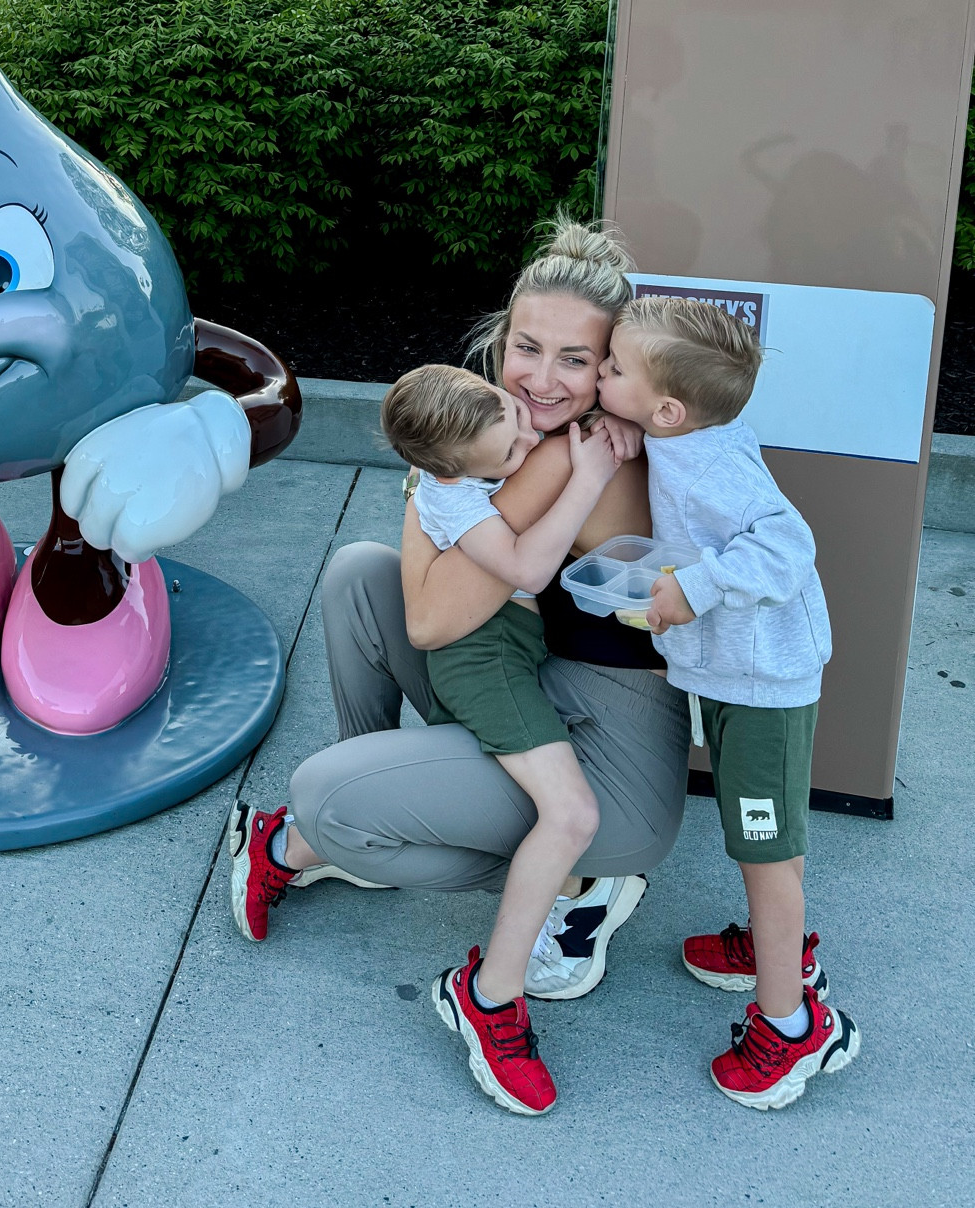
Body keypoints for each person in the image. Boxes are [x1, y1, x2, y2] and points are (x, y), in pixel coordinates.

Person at [227, 219, 692, 1112]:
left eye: (575, 359)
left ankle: (312, 839)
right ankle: (381, 809)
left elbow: (435, 619)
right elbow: (421, 589)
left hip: (616, 774)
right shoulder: (506, 429)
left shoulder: (565, 452)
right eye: (526, 348)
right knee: (359, 573)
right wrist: (437, 476)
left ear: (613, 367)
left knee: (328, 794)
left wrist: (433, 480)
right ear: (501, 337)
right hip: (541, 682)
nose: (542, 379)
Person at [597, 296, 860, 1110]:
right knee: (759, 839)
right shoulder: (688, 437)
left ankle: (790, 1027)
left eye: (611, 368)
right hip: (739, 677)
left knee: (765, 848)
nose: (597, 372)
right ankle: (771, 952)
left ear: (668, 408)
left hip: (765, 689)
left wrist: (694, 587)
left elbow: (787, 546)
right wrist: (633, 429)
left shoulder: (713, 466)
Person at [379, 364, 622, 1114]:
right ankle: (489, 996)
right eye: (512, 448)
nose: (528, 432)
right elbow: (526, 565)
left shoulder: (471, 445)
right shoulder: (449, 496)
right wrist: (587, 475)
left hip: (507, 646)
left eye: (512, 414)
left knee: (550, 806)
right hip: (482, 658)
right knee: (572, 815)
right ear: (450, 468)